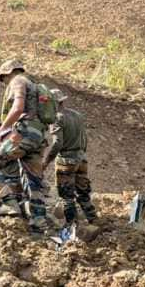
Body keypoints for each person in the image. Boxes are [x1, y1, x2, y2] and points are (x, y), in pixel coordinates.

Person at [0, 59, 48, 235]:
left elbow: (17, 109)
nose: (4, 83)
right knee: (34, 181)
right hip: (39, 137)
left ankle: (7, 203)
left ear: (8, 73)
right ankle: (38, 226)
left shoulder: (18, 80)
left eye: (3, 79)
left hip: (23, 133)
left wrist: (1, 132)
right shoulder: (34, 85)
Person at [42, 89, 97, 227]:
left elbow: (57, 143)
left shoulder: (56, 118)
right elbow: (85, 138)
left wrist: (46, 161)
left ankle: (72, 226)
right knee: (83, 192)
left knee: (66, 195)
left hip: (66, 160)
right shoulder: (77, 115)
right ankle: (93, 219)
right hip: (81, 158)